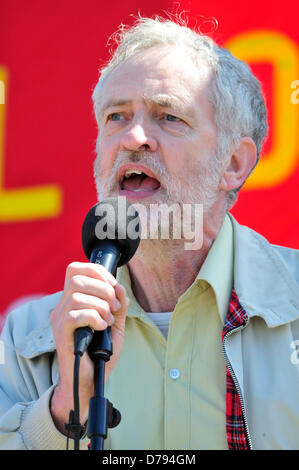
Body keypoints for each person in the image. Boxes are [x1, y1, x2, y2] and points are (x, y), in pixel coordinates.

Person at [0, 15, 299, 451]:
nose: (133, 137)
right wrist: (66, 407)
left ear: (233, 163)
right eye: (116, 116)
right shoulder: (30, 338)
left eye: (169, 116)